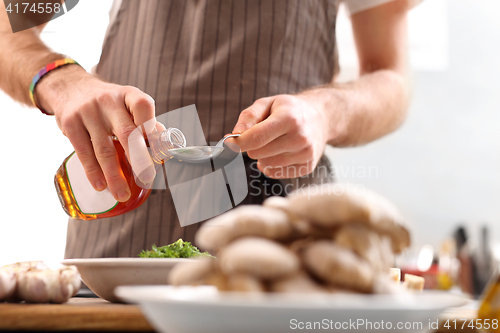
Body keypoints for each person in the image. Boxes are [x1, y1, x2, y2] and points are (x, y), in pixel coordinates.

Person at [0, 0, 421, 258]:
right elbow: (8, 26)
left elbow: (390, 77)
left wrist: (326, 112)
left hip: (284, 238)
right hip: (120, 239)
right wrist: (64, 82)